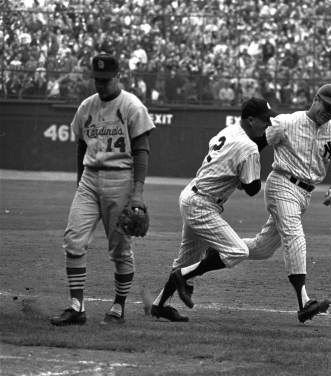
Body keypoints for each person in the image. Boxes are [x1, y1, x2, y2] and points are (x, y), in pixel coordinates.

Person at [50, 53, 155, 326]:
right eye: (97, 80)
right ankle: (76, 307)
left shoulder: (131, 106)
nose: (101, 84)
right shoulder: (87, 106)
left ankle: (118, 308)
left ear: (118, 76)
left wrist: (138, 193)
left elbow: (142, 151)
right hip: (89, 179)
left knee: (120, 250)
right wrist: (79, 182)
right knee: (73, 241)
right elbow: (81, 147)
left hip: (120, 180)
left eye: (106, 80)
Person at [150, 97, 278, 322]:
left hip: (193, 195)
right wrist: (259, 158)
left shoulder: (229, 131)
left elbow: (227, 166)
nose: (268, 124)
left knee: (186, 259)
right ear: (250, 120)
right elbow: (251, 189)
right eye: (265, 120)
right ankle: (184, 276)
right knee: (238, 251)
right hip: (202, 204)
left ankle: (159, 304)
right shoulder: (249, 148)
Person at [241, 83, 331, 323]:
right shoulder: (287, 122)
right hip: (282, 182)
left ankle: (219, 249)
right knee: (294, 235)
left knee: (262, 248)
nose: (330, 112)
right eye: (327, 105)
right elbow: (258, 143)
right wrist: (245, 172)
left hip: (304, 194)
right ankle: (304, 302)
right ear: (315, 99)